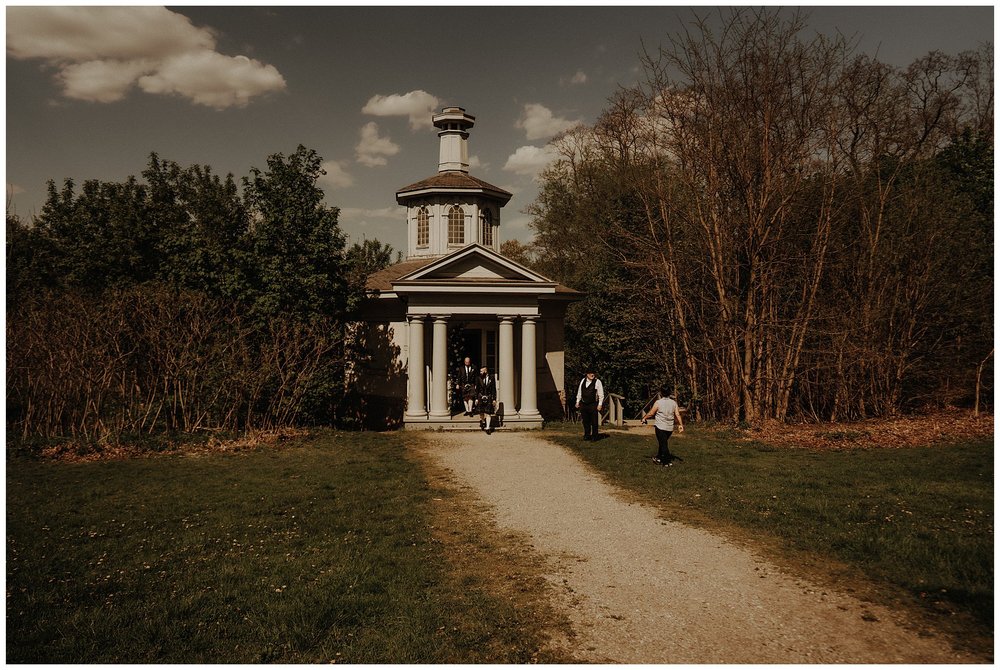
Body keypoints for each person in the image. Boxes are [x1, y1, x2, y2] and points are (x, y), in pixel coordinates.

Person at [641, 385, 684, 466]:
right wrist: (680, 424)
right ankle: (658, 457)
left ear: (661, 392)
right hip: (669, 427)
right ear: (670, 392)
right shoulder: (673, 403)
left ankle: (667, 462)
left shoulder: (658, 402)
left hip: (660, 427)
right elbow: (677, 414)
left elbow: (651, 413)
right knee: (663, 442)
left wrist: (644, 418)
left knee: (664, 444)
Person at [575, 367, 605, 441]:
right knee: (585, 421)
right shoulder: (583, 381)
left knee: (594, 421)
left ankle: (595, 436)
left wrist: (600, 404)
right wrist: (577, 401)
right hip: (584, 404)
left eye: (593, 373)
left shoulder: (597, 382)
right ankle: (587, 435)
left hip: (593, 404)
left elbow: (601, 394)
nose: (592, 374)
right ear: (587, 374)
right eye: (590, 373)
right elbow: (579, 392)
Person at [477, 366, 498, 434]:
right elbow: (477, 389)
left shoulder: (491, 377)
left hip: (489, 397)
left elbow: (493, 389)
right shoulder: (478, 378)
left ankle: (487, 427)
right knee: (481, 412)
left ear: (485, 371)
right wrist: (476, 398)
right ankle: (483, 421)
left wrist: (494, 399)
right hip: (480, 396)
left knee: (488, 413)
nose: (480, 372)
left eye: (481, 371)